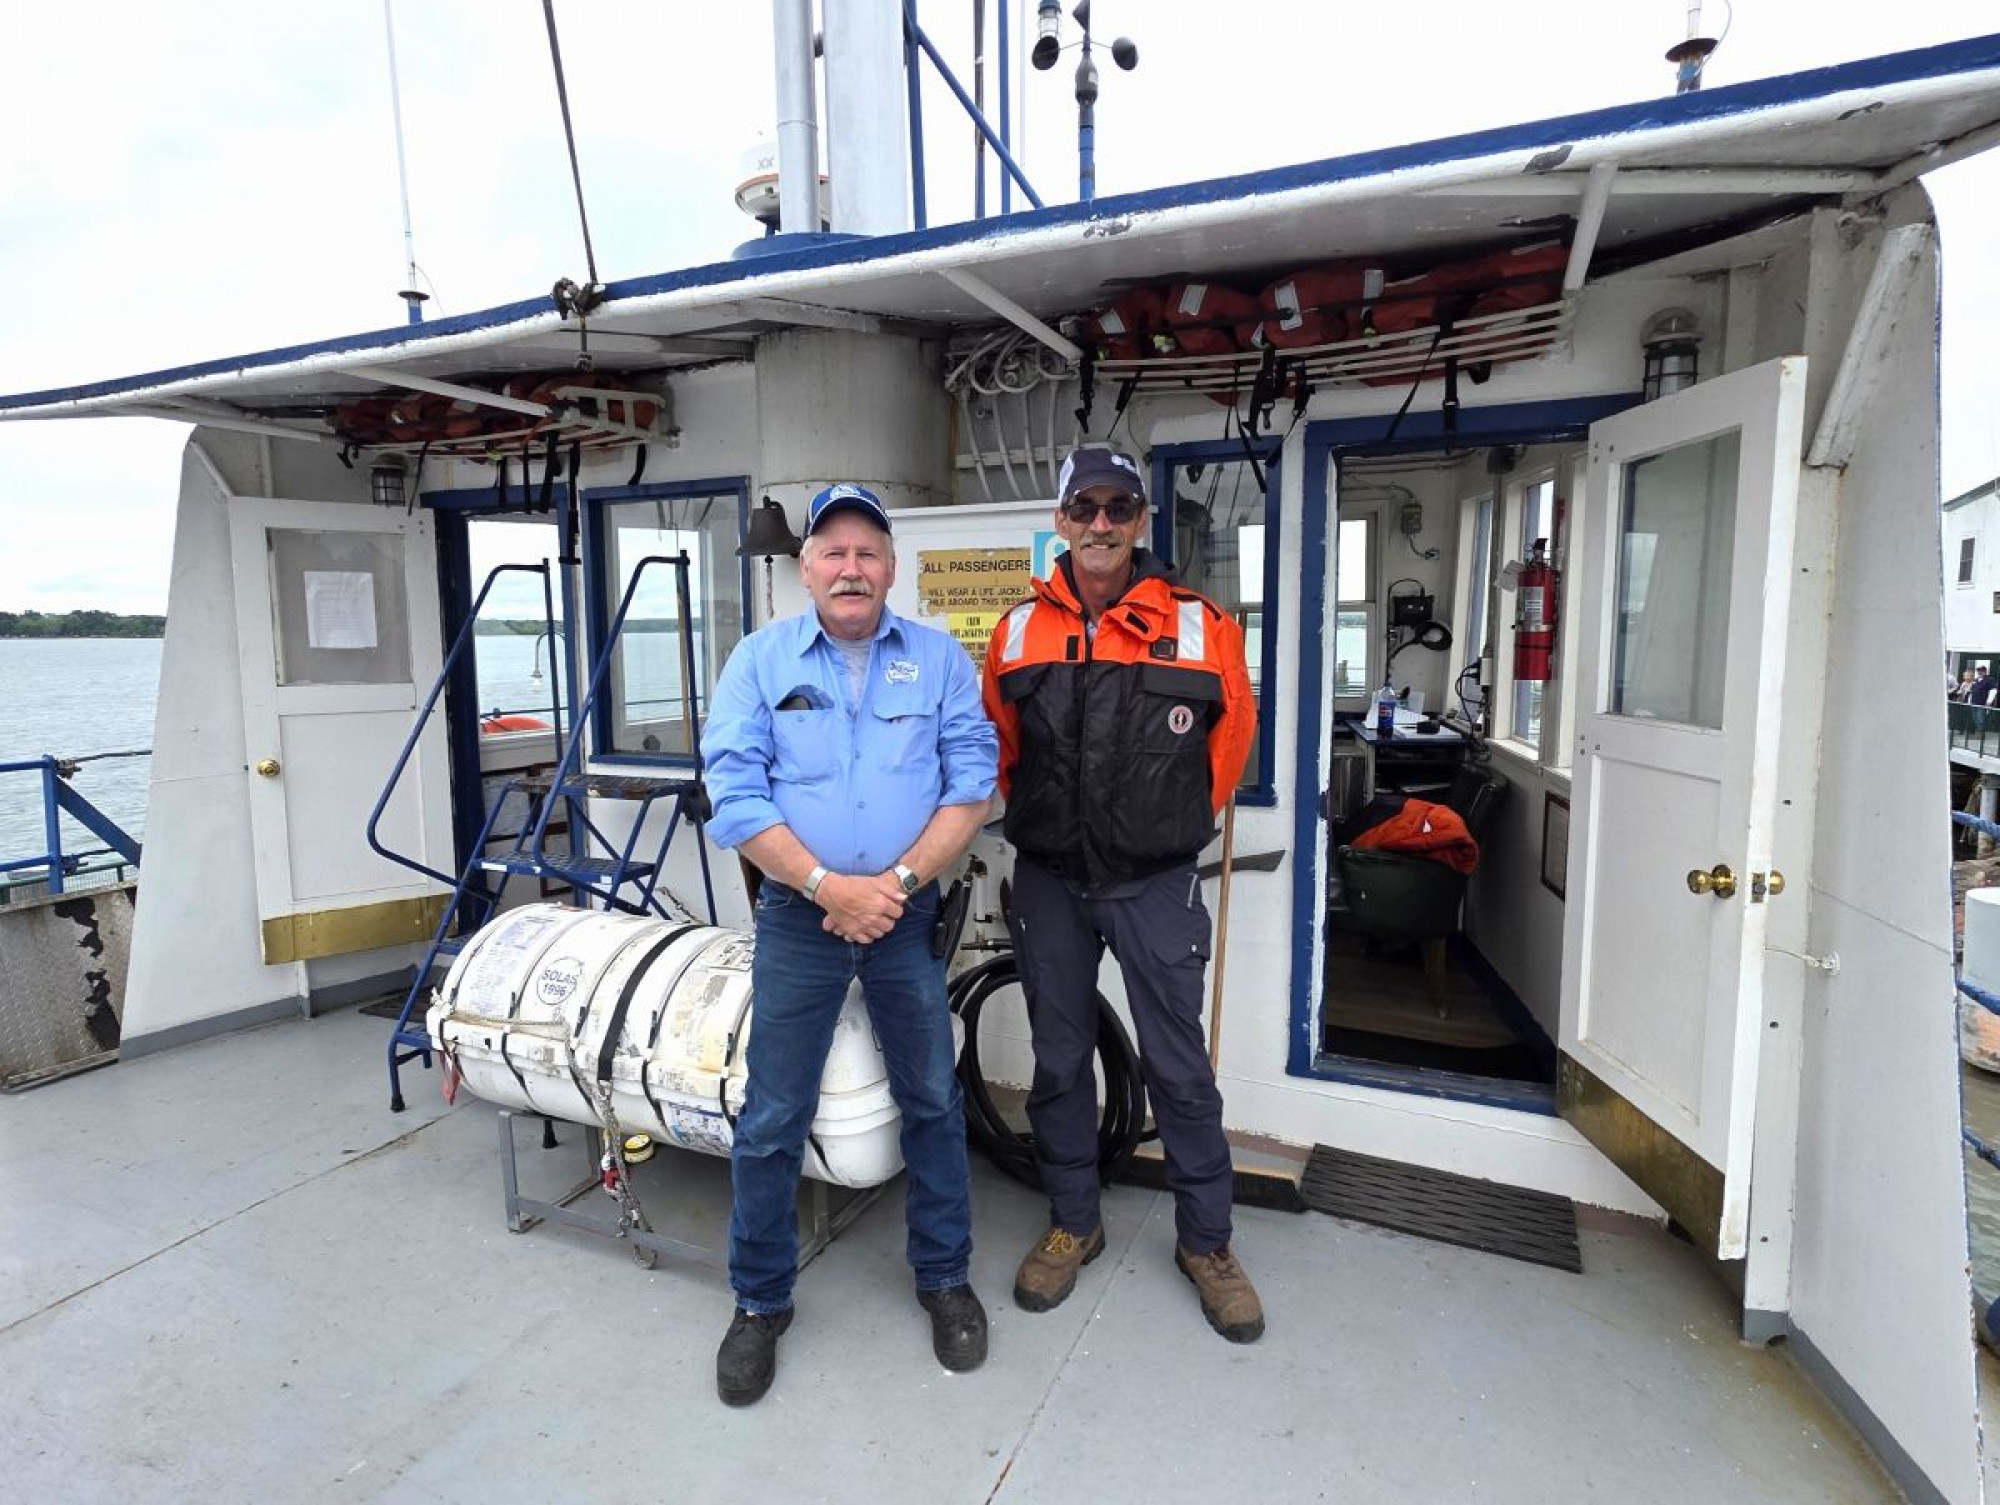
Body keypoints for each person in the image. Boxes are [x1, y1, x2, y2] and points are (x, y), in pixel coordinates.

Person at [703, 482, 998, 1406]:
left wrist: (895, 887)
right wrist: (829, 886)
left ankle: (944, 1277)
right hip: (801, 916)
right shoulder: (758, 660)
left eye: (868, 551)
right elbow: (736, 794)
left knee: (932, 1100)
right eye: (832, 551)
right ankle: (759, 1302)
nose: (851, 567)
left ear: (892, 570)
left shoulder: (942, 660)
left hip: (906, 916)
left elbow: (972, 786)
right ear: (806, 570)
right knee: (772, 1115)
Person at [981, 447, 1265, 1344]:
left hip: (1155, 883)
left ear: (1143, 520)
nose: (1101, 523)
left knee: (1180, 1069)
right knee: (1059, 1063)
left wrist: (1159, 828)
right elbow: (1000, 752)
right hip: (1052, 883)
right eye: (1085, 507)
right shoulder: (1017, 630)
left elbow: (1226, 754)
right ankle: (1076, 1218)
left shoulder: (1203, 626)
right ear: (1062, 520)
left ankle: (1208, 1243)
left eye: (1119, 506)